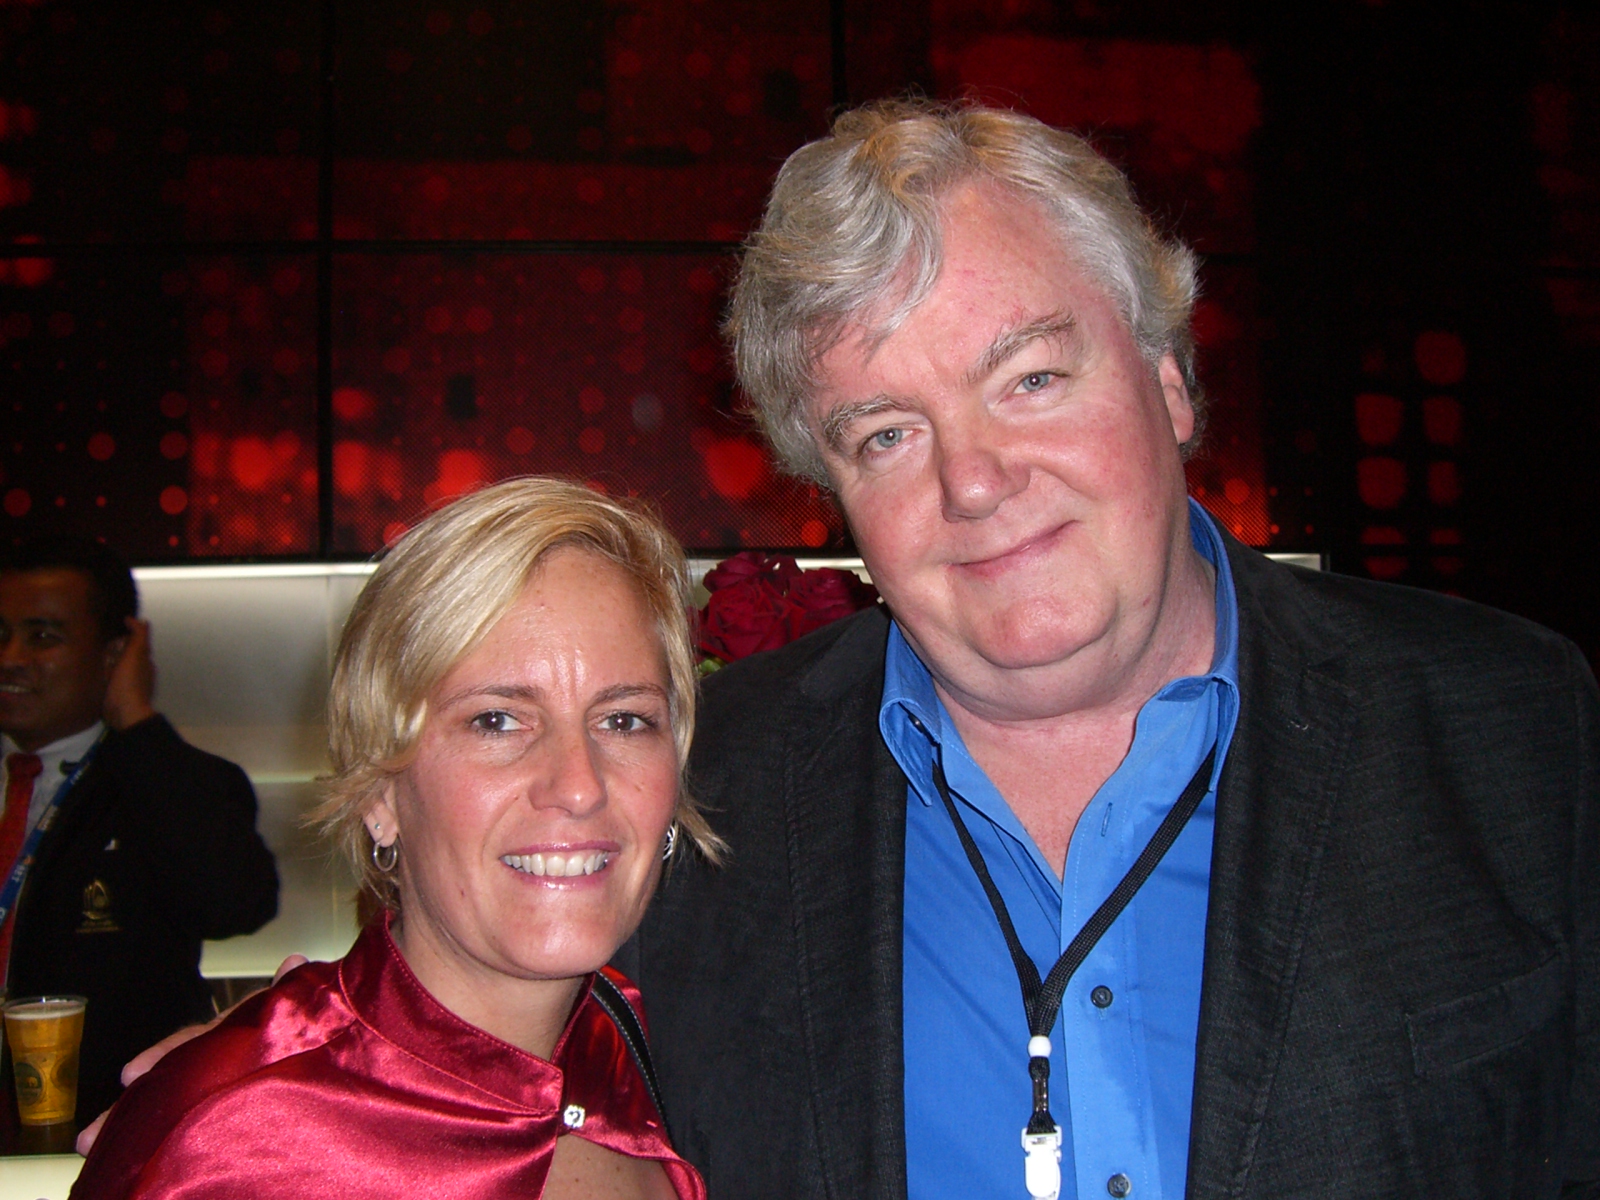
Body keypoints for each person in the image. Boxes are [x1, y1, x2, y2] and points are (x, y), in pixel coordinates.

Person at [615, 100, 1599, 1198]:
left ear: (1169, 383)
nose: (973, 481)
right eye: (887, 434)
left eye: (1029, 379)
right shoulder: (691, 801)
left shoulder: (1516, 729)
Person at [73, 478, 715, 1199]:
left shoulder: (636, 1043)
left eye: (624, 720)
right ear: (380, 791)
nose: (578, 786)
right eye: (496, 720)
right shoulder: (234, 1144)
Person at [0, 537, 278, 1128]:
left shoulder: (165, 782)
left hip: (107, 1133)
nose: (12, 658)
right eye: (0, 635)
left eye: (43, 636)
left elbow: (235, 903)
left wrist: (134, 719)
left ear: (114, 651)